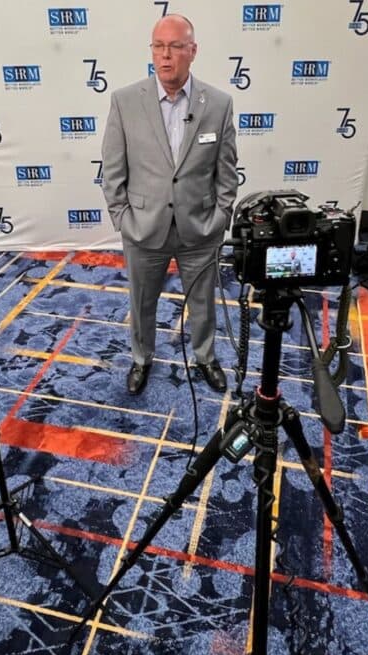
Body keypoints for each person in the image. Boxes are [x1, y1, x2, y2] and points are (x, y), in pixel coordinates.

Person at [101, 13, 239, 395]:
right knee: (142, 303)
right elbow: (113, 170)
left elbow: (227, 172)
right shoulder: (126, 102)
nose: (166, 56)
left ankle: (205, 357)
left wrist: (221, 216)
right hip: (144, 228)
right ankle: (141, 358)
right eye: (159, 47)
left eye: (176, 47)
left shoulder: (219, 104)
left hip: (200, 229)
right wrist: (123, 219)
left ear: (192, 51)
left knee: (203, 303)